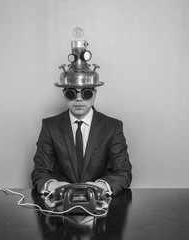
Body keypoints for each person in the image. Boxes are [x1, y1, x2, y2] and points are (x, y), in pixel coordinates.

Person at [31, 28, 132, 196]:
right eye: (71, 93)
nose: (78, 99)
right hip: (60, 205)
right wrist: (52, 185)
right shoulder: (50, 126)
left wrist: (101, 186)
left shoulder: (113, 127)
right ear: (64, 94)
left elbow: (123, 172)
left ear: (94, 94)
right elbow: (39, 171)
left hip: (99, 207)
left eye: (86, 93)